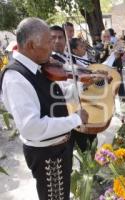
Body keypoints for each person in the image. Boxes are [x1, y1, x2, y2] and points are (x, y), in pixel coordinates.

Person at [0, 17, 89, 200]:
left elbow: (56, 95)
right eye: (49, 41)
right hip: (47, 155)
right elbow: (32, 127)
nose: (54, 46)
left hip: (59, 148)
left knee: (61, 195)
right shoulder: (16, 78)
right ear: (31, 45)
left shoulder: (38, 67)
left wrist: (82, 86)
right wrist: (76, 119)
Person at [50, 25, 97, 152]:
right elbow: (63, 90)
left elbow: (81, 70)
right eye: (53, 37)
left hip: (84, 103)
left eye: (60, 37)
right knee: (82, 144)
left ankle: (93, 166)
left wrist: (93, 74)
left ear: (65, 40)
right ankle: (87, 169)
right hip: (71, 108)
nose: (57, 40)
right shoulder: (50, 62)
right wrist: (84, 82)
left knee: (92, 138)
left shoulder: (68, 56)